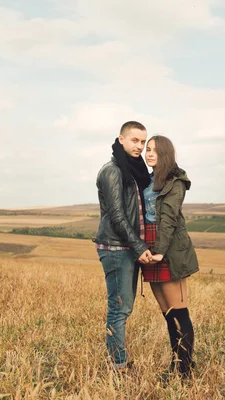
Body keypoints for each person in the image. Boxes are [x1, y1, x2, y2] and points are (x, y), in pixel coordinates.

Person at [94, 121, 153, 372]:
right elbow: (117, 216)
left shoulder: (133, 171)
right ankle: (117, 366)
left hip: (127, 247)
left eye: (143, 141)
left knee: (123, 308)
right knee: (118, 309)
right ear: (121, 140)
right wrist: (140, 247)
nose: (139, 146)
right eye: (135, 140)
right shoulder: (112, 171)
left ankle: (117, 361)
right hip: (117, 248)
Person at [141, 135, 199, 380]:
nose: (149, 154)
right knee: (167, 312)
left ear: (165, 154)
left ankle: (185, 370)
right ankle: (176, 363)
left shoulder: (176, 182)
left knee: (179, 311)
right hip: (150, 246)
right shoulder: (148, 179)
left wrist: (160, 252)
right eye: (147, 149)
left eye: (154, 150)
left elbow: (169, 219)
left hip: (168, 248)